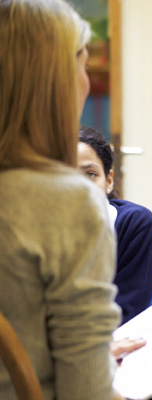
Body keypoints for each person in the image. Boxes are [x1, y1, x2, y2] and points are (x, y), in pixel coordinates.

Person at [0, 1, 120, 398]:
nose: (87, 81)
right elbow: (86, 392)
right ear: (55, 82)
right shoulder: (67, 202)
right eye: (83, 65)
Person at [78, 126, 152, 324]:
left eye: (90, 174)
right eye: (66, 176)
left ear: (109, 181)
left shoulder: (135, 223)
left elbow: (128, 310)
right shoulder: (41, 228)